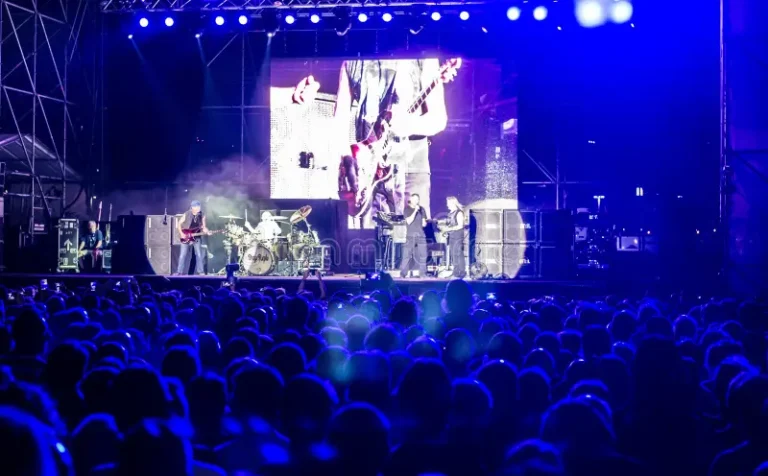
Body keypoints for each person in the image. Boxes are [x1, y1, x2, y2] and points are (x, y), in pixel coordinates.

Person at [335, 59, 449, 227]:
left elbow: (439, 119)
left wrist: (408, 125)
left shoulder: (424, 57)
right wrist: (348, 166)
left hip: (410, 169)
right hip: (369, 172)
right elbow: (340, 119)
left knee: (412, 239)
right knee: (370, 240)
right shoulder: (352, 60)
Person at [176, 200, 208, 275]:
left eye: (199, 206)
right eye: (197, 206)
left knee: (198, 254)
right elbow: (179, 224)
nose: (199, 208)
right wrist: (181, 234)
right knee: (182, 255)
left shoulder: (202, 215)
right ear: (193, 207)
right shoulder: (187, 214)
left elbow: (203, 226)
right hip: (186, 236)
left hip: (196, 237)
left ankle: (200, 272)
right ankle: (179, 272)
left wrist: (206, 230)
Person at [400, 194, 428, 278]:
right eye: (414, 199)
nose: (416, 201)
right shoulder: (407, 209)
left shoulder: (422, 209)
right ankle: (403, 273)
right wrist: (415, 211)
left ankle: (422, 273)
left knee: (423, 255)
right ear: (411, 200)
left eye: (417, 200)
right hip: (410, 235)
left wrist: (424, 221)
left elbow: (424, 224)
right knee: (407, 255)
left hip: (420, 235)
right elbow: (408, 221)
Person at [440, 196, 466, 278]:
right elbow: (450, 225)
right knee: (453, 254)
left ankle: (461, 272)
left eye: (448, 203)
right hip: (452, 236)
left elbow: (460, 226)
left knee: (458, 254)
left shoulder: (459, 213)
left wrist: (448, 229)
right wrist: (446, 232)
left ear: (452, 203)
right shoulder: (450, 213)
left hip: (458, 236)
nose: (447, 205)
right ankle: (456, 272)